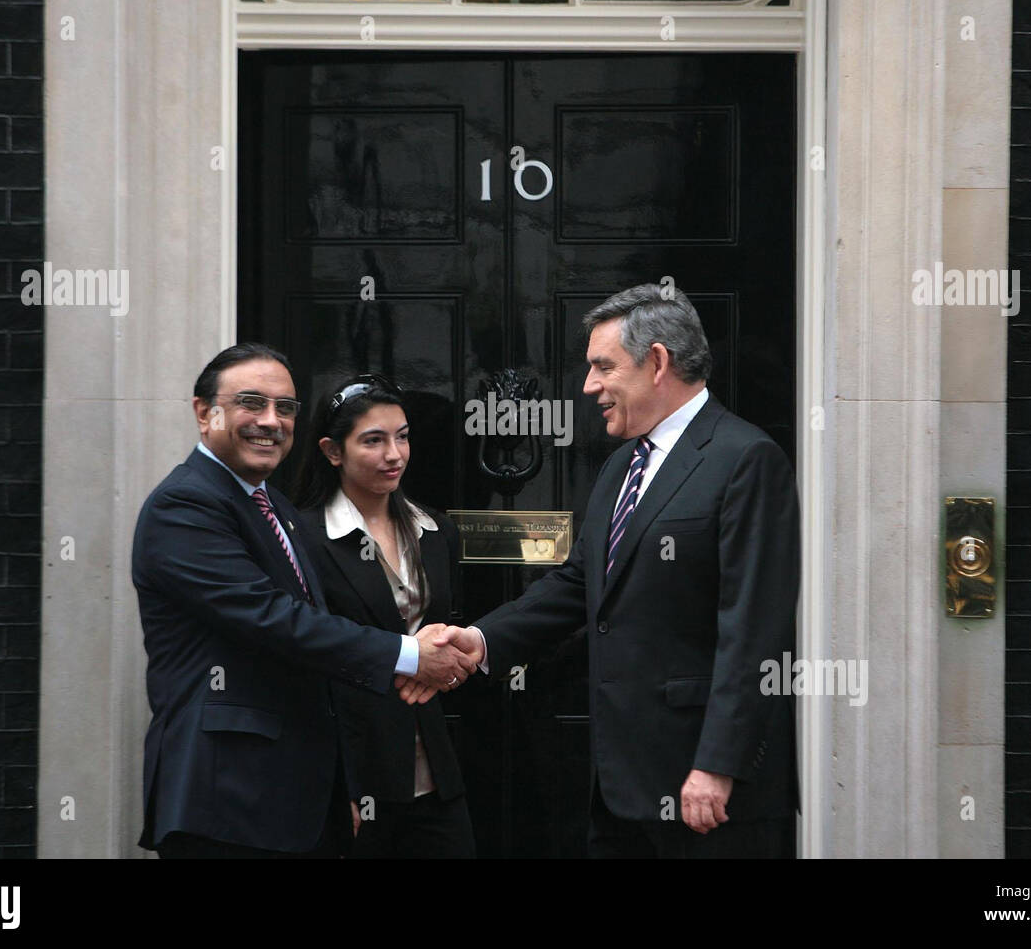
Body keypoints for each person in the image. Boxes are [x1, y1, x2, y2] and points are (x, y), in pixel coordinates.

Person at [399, 284, 801, 858]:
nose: (589, 386)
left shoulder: (745, 459)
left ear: (657, 362)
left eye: (602, 367)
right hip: (619, 785)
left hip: (706, 788)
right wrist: (481, 640)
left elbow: (754, 630)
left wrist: (717, 764)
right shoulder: (620, 467)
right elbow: (575, 584)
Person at [132, 343, 476, 858]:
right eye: (252, 403)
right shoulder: (185, 505)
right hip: (226, 797)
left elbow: (311, 644)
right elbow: (273, 621)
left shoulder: (275, 508)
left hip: (294, 796)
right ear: (205, 412)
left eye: (285, 407)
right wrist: (410, 655)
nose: (271, 421)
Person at [294, 374, 475, 858]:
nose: (394, 454)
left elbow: (445, 640)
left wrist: (450, 665)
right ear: (333, 451)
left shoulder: (435, 530)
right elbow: (307, 658)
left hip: (435, 771)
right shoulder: (304, 537)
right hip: (353, 773)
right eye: (373, 440)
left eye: (402, 436)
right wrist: (335, 785)